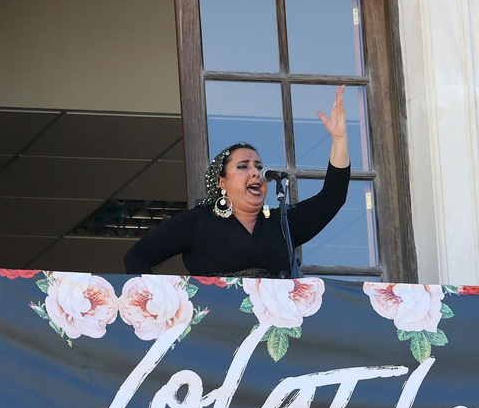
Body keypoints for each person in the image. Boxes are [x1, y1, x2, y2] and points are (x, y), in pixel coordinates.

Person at [124, 85, 353, 278]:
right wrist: (155, 305)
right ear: (222, 182)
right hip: (217, 319)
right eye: (243, 166)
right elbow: (137, 256)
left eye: (259, 167)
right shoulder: (197, 222)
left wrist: (339, 139)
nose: (255, 172)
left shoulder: (281, 225)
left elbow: (333, 197)